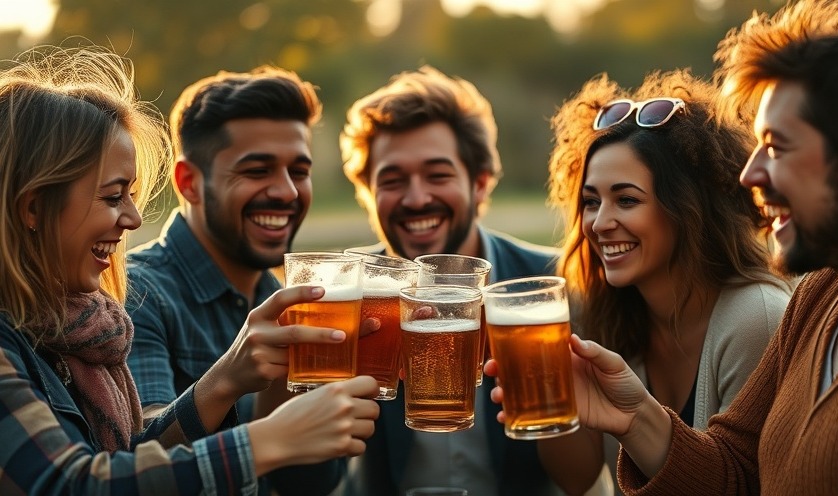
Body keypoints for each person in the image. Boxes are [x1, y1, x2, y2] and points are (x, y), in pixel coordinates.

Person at [487, 1, 838, 494]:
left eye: (777, 147)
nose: (749, 174)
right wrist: (634, 417)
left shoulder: (762, 312)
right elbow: (738, 474)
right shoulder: (817, 299)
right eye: (590, 201)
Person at [0, 44, 379, 493]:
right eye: (112, 196)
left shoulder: (73, 328)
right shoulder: (135, 297)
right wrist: (265, 439)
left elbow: (133, 460)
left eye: (132, 195)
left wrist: (228, 379)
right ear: (33, 207)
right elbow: (73, 484)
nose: (134, 219)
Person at [538, 68, 792, 495]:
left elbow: (743, 485)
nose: (600, 223)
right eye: (591, 201)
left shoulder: (755, 317)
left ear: (687, 210)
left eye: (627, 200)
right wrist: (547, 395)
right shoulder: (604, 314)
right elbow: (578, 479)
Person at [124, 65, 366, 493]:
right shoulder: (137, 293)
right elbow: (143, 461)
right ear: (189, 182)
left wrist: (298, 385)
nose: (288, 192)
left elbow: (306, 485)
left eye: (300, 171)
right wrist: (226, 380)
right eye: (258, 171)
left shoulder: (285, 299)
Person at [339, 65, 561, 495]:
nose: (417, 198)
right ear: (367, 194)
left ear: (479, 184)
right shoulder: (347, 291)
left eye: (438, 175)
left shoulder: (550, 283)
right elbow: (307, 478)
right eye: (392, 180)